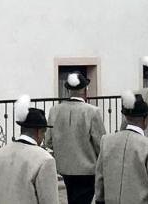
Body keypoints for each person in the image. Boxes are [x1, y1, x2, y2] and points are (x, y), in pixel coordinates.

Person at [93, 89, 148, 204]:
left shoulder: (107, 141)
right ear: (145, 119)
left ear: (126, 117)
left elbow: (100, 177)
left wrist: (99, 199)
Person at [46, 71, 104, 204]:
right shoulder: (92, 111)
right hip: (87, 169)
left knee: (72, 198)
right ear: (84, 90)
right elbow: (100, 144)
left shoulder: (55, 110)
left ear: (67, 90)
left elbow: (48, 141)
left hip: (64, 168)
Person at [0, 98, 58, 204]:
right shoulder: (45, 160)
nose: (43, 137)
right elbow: (49, 200)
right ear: (39, 132)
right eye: (44, 133)